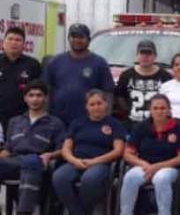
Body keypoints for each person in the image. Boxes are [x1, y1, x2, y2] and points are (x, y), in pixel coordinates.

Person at [52, 89, 126, 215]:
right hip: (76, 161)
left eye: (99, 103)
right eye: (92, 104)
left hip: (101, 163)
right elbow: (66, 148)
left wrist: (94, 161)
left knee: (89, 179)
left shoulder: (115, 124)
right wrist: (73, 160)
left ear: (106, 104)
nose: (96, 107)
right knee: (59, 177)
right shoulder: (78, 123)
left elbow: (118, 150)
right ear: (86, 106)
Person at [0, 79, 65, 215]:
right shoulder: (15, 121)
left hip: (38, 163)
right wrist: (3, 154)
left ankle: (24, 212)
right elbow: (8, 148)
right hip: (14, 162)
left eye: (39, 95)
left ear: (46, 98)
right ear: (25, 98)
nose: (35, 99)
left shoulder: (55, 123)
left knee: (32, 162)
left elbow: (63, 149)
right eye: (31, 95)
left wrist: (50, 155)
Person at [119, 94, 180, 215]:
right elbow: (127, 154)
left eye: (163, 108)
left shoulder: (178, 127)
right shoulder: (141, 126)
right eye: (155, 108)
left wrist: (158, 167)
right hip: (145, 166)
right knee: (130, 177)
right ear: (150, 111)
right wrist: (143, 164)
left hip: (169, 168)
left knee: (161, 178)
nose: (159, 111)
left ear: (169, 110)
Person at [44, 24, 113, 125]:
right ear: (68, 38)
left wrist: (105, 119)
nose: (77, 40)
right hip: (58, 120)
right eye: (73, 36)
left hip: (89, 121)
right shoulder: (55, 61)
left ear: (88, 40)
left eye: (81, 37)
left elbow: (108, 94)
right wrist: (45, 116)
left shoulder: (99, 63)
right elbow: (46, 91)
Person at [114, 40, 172, 131]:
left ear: (155, 56)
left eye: (149, 53)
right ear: (137, 56)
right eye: (142, 53)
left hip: (157, 126)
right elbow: (120, 97)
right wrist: (129, 111)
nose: (145, 57)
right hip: (132, 124)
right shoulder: (127, 75)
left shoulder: (165, 76)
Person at [0, 27, 42, 132]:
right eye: (10, 39)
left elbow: (40, 92)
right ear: (3, 42)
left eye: (18, 40)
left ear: (24, 44)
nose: (13, 42)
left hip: (23, 119)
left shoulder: (33, 64)